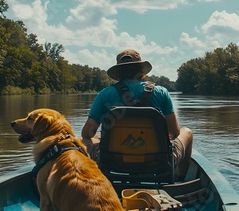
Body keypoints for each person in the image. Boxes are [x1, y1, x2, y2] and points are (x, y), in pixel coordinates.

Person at [81, 49, 193, 178]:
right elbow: (174, 132)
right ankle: (179, 179)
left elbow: (87, 133)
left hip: (112, 161)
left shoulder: (105, 94)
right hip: (156, 161)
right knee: (187, 132)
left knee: (83, 140)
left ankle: (95, 179)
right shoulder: (161, 92)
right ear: (141, 70)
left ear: (118, 73)